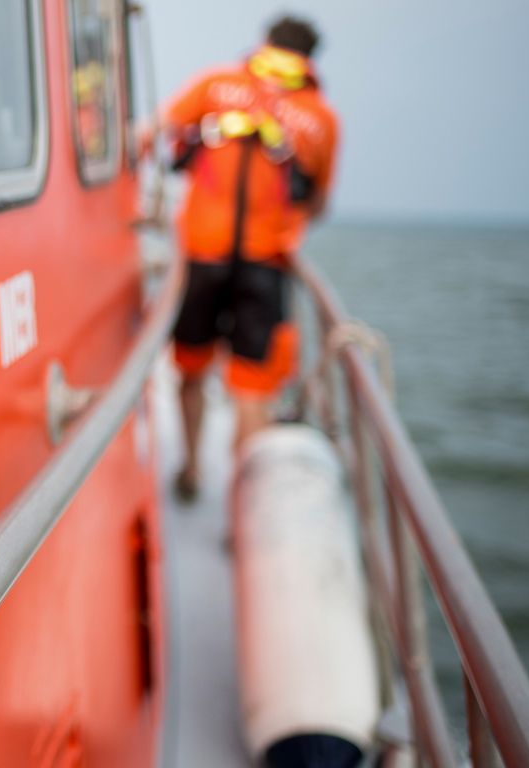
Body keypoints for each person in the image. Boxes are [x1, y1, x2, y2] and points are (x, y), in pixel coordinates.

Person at [160, 15, 339, 500]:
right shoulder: (321, 119)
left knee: (189, 369)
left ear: (264, 44)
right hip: (266, 266)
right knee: (251, 389)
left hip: (202, 256)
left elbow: (163, 131)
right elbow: (318, 202)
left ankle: (192, 469)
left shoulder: (217, 84)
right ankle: (244, 505)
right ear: (311, 60)